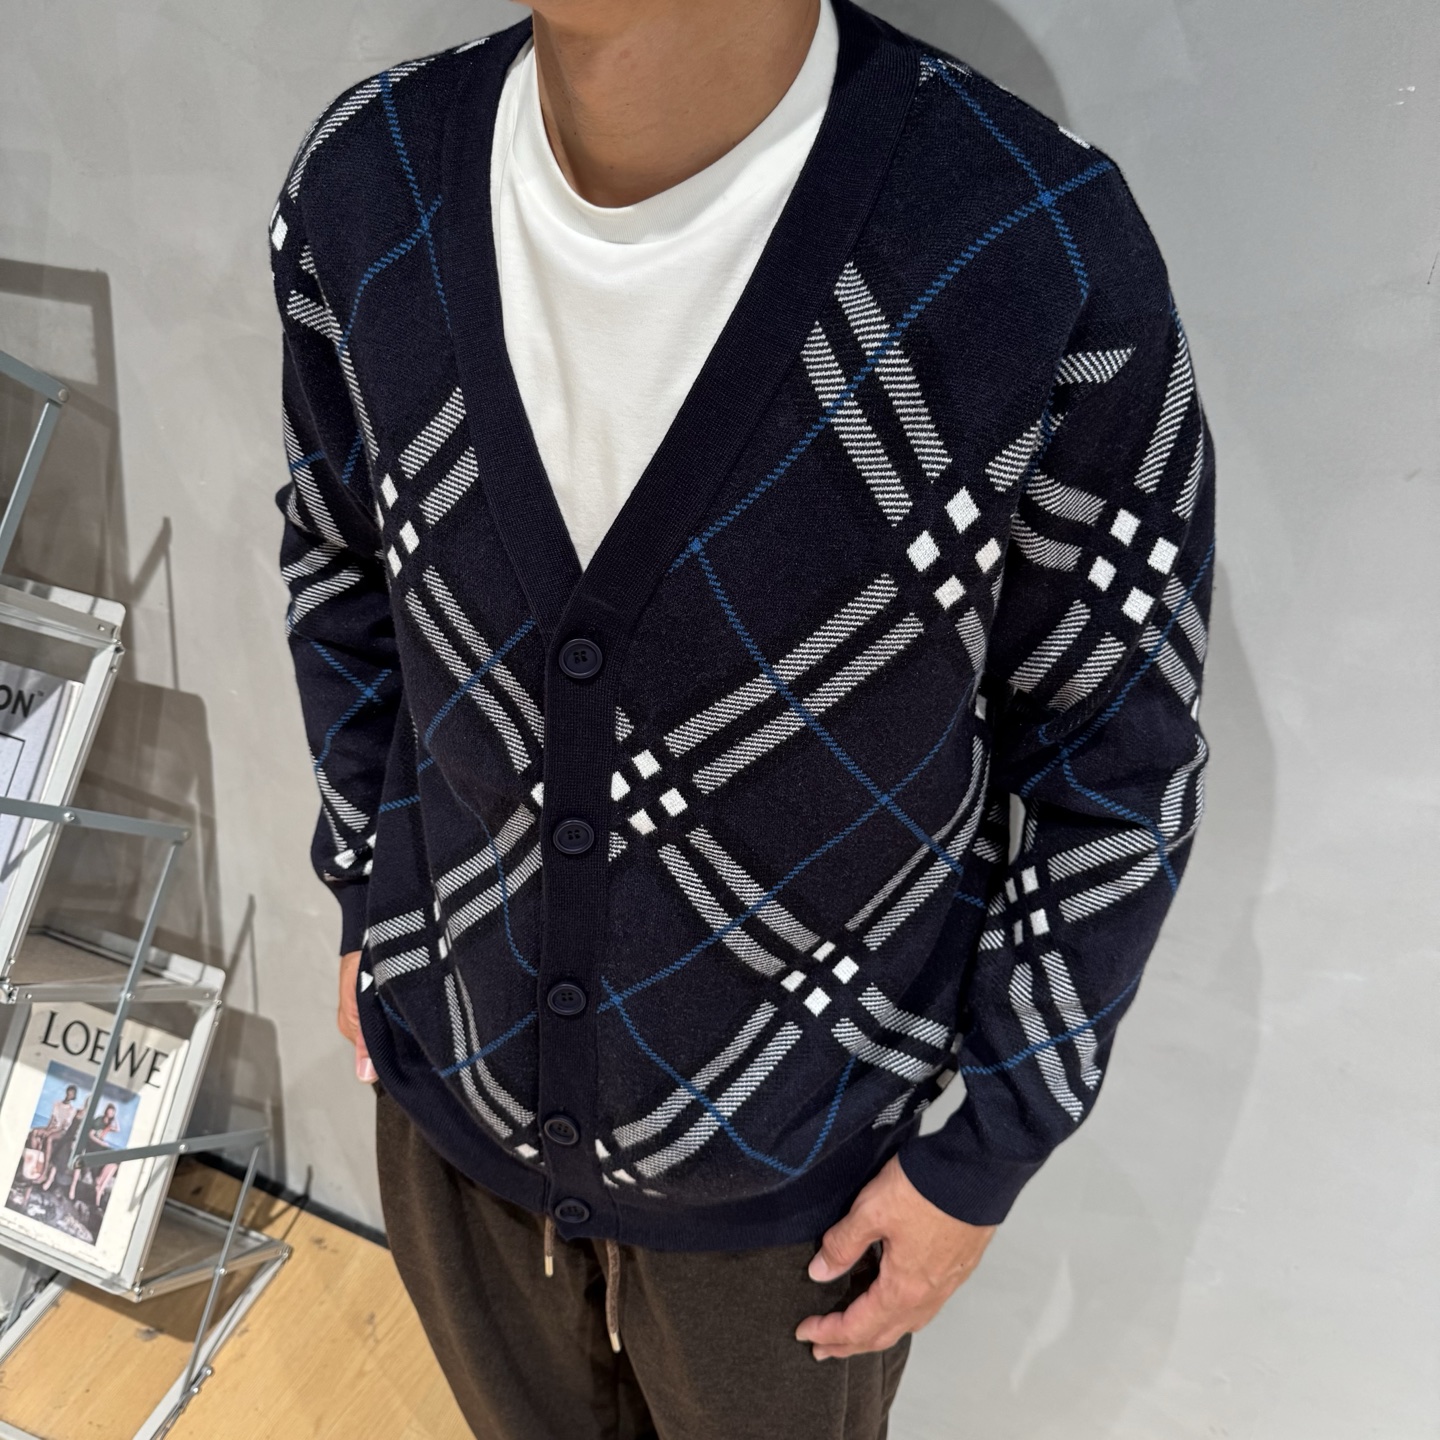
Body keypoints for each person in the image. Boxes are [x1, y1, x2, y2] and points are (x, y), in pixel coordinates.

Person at [271, 0, 1213, 1435]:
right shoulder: (367, 186)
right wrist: (366, 881)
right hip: (449, 1126)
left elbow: (1119, 762)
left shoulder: (1027, 251)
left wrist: (986, 1151)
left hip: (799, 1208)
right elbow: (340, 574)